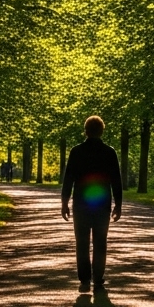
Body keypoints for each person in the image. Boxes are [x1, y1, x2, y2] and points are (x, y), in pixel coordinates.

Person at [61, 116, 122, 293]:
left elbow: (68, 180)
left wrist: (64, 203)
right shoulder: (109, 152)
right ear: (102, 131)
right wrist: (118, 204)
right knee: (100, 241)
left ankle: (84, 280)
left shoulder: (76, 151)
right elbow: (116, 181)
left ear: (85, 131)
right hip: (102, 204)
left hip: (81, 203)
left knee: (82, 242)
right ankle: (98, 279)